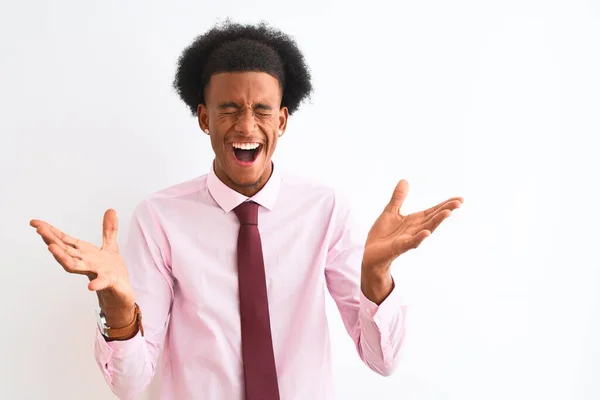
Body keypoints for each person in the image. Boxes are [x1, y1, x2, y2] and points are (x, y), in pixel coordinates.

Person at [30, 20, 463, 400]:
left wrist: (376, 281)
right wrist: (119, 309)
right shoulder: (159, 219)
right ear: (203, 118)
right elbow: (130, 384)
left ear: (282, 121)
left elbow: (382, 362)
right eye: (229, 108)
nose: (246, 126)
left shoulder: (326, 210)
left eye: (262, 110)